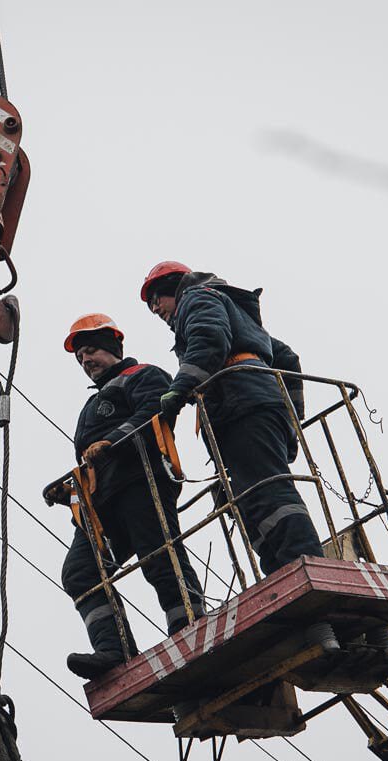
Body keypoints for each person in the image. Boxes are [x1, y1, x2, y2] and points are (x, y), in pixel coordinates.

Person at [140, 262, 347, 653]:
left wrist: (179, 390)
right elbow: (287, 358)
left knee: (270, 496)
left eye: (157, 301)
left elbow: (207, 341)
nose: (158, 312)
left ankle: (307, 573)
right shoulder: (239, 316)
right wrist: (291, 420)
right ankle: (289, 576)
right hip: (251, 404)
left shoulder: (197, 299)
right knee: (254, 500)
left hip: (240, 403)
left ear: (174, 288)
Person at [48, 313, 205, 680]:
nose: (86, 362)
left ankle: (189, 626)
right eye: (80, 358)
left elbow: (156, 413)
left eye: (90, 352)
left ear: (112, 348)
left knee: (159, 555)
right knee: (80, 573)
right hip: (100, 502)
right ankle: (113, 649)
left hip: (141, 480)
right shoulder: (92, 404)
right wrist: (66, 487)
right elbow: (90, 456)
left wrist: (113, 440)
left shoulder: (143, 375)